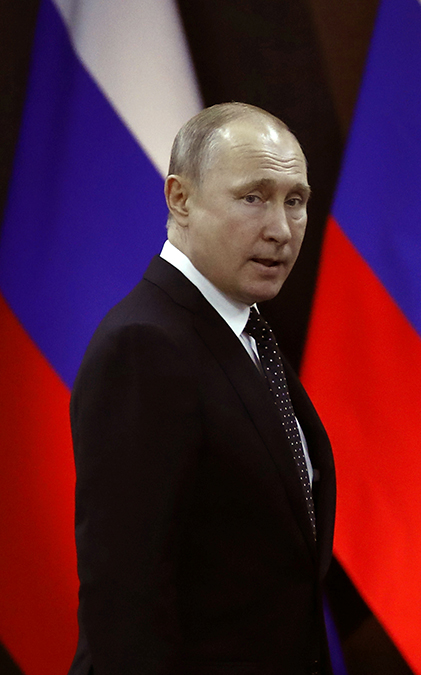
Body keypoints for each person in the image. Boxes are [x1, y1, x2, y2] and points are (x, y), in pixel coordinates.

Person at [69, 102, 335, 675]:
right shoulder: (144, 346)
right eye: (253, 197)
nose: (280, 229)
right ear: (180, 199)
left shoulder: (244, 326)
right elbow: (125, 604)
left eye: (295, 200)